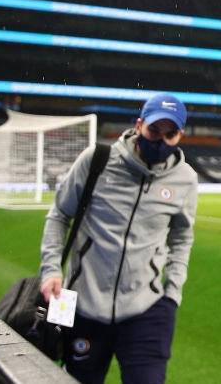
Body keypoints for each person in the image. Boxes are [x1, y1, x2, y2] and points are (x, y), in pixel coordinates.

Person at [39, 93, 198, 384]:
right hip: (83, 306)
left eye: (170, 134)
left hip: (148, 310)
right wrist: (51, 270)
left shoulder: (185, 179)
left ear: (180, 136)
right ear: (138, 125)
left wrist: (172, 293)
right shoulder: (97, 160)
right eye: (154, 130)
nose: (160, 141)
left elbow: (182, 237)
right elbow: (59, 215)